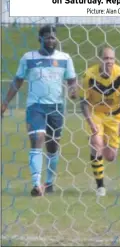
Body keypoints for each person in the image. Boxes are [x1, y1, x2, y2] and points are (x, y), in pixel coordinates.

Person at [1, 25, 77, 196]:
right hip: (35, 106)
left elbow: (72, 80)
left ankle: (49, 182)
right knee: (37, 138)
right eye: (47, 37)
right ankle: (36, 184)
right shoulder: (29, 58)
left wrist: (73, 90)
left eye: (53, 37)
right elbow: (17, 81)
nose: (51, 40)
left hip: (56, 107)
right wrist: (5, 102)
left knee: (52, 145)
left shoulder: (65, 58)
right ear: (40, 39)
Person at [79, 46, 120, 197]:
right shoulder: (89, 75)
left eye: (111, 58)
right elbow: (83, 101)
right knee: (96, 143)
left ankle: (100, 145)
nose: (109, 61)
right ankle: (100, 187)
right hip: (96, 113)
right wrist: (90, 122)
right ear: (99, 59)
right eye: (106, 58)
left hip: (116, 116)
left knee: (110, 156)